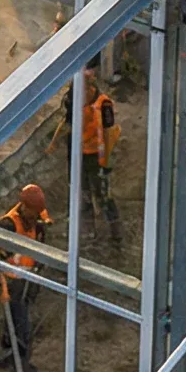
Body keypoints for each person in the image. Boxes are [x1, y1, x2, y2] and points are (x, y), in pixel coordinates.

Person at [0, 183, 50, 372]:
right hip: (11, 282)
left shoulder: (39, 224)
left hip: (27, 281)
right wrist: (4, 289)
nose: (34, 217)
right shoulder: (8, 225)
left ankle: (10, 355)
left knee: (17, 321)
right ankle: (21, 363)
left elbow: (41, 254)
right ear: (24, 206)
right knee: (22, 324)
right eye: (32, 212)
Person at [70, 67, 123, 242]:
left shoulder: (103, 104)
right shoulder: (74, 102)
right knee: (83, 195)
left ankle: (115, 230)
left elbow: (110, 132)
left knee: (103, 195)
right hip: (80, 155)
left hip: (98, 157)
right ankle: (88, 232)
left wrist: (107, 161)